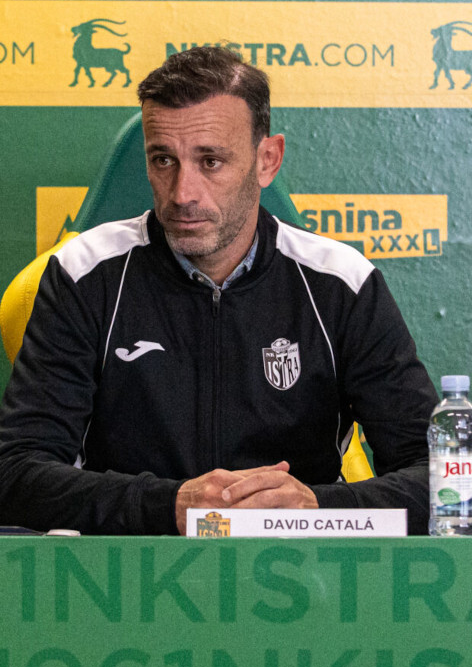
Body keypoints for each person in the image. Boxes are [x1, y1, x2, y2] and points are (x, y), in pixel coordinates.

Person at [0, 46, 438, 535]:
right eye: (163, 159)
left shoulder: (341, 283)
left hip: (304, 581)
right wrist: (172, 505)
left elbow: (446, 481)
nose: (183, 192)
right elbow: (14, 473)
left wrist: (317, 508)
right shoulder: (83, 274)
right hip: (127, 584)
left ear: (266, 160)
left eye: (210, 161)